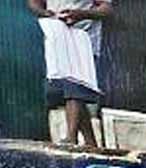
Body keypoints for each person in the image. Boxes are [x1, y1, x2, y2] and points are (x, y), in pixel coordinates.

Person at [28, 0, 113, 148]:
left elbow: (107, 9)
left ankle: (71, 137)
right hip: (57, 39)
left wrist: (83, 14)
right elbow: (34, 2)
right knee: (69, 92)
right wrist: (45, 13)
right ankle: (90, 142)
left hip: (83, 40)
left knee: (75, 88)